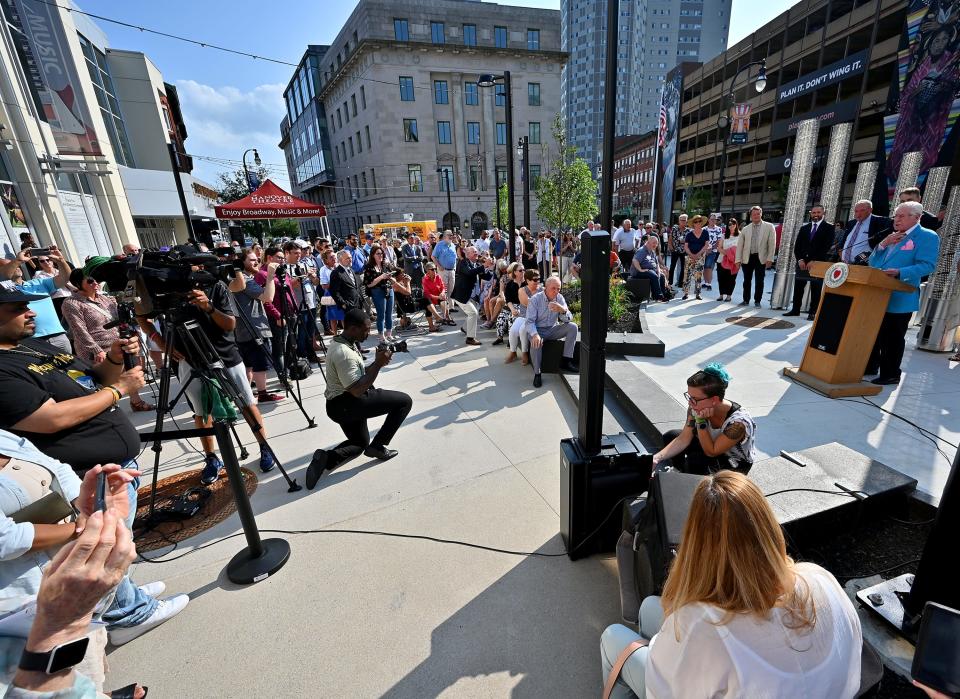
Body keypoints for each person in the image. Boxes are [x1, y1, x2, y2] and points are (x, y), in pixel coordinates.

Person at [0, 287, 183, 647]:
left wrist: (114, 360)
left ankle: (125, 596)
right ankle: (128, 615)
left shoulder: (33, 346)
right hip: (86, 471)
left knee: (114, 541)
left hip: (109, 464)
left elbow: (89, 379)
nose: (30, 312)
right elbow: (50, 419)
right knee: (103, 544)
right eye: (17, 308)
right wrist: (119, 390)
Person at [601, 470, 862, 699]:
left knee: (613, 638)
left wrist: (667, 651)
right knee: (648, 607)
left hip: (706, 656)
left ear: (696, 545)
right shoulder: (819, 577)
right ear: (767, 529)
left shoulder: (701, 626)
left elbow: (664, 692)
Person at [141, 274, 277, 481]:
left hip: (225, 354)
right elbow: (140, 315)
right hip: (187, 357)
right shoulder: (165, 288)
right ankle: (211, 457)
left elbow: (230, 324)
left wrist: (209, 307)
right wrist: (159, 341)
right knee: (201, 412)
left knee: (247, 403)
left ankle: (264, 446)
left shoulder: (215, 286)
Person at [305, 309, 412, 490]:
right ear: (353, 329)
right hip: (349, 403)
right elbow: (356, 389)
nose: (368, 333)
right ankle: (378, 446)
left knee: (359, 444)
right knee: (404, 401)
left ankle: (325, 458)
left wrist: (377, 363)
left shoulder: (344, 341)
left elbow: (356, 375)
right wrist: (378, 364)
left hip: (339, 405)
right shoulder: (344, 353)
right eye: (365, 329)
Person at [865, 201, 940, 386]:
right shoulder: (891, 236)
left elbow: (928, 265)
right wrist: (883, 244)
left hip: (901, 296)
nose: (896, 219)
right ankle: (871, 366)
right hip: (878, 294)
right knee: (875, 334)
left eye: (901, 216)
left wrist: (900, 272)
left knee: (892, 338)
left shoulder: (927, 236)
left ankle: (891, 374)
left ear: (917, 217)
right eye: (895, 216)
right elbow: (873, 263)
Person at [60, 269, 154, 412]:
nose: (95, 283)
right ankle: (107, 407)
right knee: (102, 380)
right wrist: (96, 349)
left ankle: (136, 402)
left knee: (128, 372)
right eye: (90, 281)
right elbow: (79, 330)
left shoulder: (106, 298)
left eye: (96, 280)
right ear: (78, 284)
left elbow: (120, 319)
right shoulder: (71, 303)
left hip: (117, 343)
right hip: (96, 348)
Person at [652, 364, 756, 474]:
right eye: (689, 396)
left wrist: (701, 421)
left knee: (696, 460)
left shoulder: (739, 423)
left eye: (695, 399)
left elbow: (711, 452)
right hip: (711, 448)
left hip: (734, 464)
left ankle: (694, 481)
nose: (690, 402)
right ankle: (681, 471)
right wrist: (656, 458)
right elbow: (683, 439)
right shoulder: (696, 406)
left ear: (714, 399)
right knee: (671, 435)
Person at [227, 249, 284, 403]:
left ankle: (247, 394)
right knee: (259, 363)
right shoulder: (246, 281)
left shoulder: (235, 280)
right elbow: (267, 297)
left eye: (257, 259)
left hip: (243, 330)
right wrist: (270, 276)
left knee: (249, 365)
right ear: (241, 262)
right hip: (254, 329)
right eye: (252, 260)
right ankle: (262, 393)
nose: (256, 262)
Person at [0, 248, 72, 354]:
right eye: (9, 265)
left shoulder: (38, 282)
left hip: (58, 336)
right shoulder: (4, 292)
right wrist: (17, 260)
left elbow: (64, 278)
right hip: (32, 341)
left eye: (15, 263)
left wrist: (60, 260)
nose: (16, 266)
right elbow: (4, 278)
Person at [527, 276, 579, 388]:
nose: (556, 291)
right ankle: (537, 373)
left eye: (558, 289)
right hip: (538, 330)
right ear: (546, 287)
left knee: (573, 327)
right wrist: (535, 334)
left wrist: (563, 311)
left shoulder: (559, 298)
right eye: (553, 288)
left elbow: (568, 319)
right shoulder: (535, 299)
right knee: (536, 343)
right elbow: (529, 322)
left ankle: (566, 361)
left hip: (552, 329)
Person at [784, 204, 834, 320]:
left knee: (816, 288)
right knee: (798, 287)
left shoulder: (829, 228)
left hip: (818, 263)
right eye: (814, 213)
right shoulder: (804, 228)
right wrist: (800, 259)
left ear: (823, 213)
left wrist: (814, 260)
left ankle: (812, 312)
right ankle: (795, 309)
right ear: (811, 214)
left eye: (818, 213)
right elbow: (797, 246)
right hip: (802, 263)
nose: (816, 215)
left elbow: (826, 246)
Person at [736, 206, 777, 308]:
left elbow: (772, 244)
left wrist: (770, 259)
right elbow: (740, 246)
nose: (756, 216)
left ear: (761, 214)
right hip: (748, 258)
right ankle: (745, 300)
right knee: (746, 281)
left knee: (759, 281)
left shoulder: (769, 227)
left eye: (758, 214)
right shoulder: (745, 229)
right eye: (754, 214)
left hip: (761, 258)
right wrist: (738, 259)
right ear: (750, 215)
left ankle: (757, 301)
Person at [450, 247, 488, 346]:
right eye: (474, 252)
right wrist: (484, 266)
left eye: (476, 251)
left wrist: (490, 267)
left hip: (470, 295)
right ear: (468, 254)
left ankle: (465, 328)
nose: (476, 253)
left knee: (472, 313)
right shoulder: (463, 263)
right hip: (461, 295)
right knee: (473, 313)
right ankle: (470, 338)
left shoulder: (476, 264)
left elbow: (485, 276)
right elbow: (469, 272)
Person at [363, 244, 399, 344]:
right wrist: (381, 277)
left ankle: (389, 334)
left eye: (382, 253)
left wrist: (391, 278)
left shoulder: (385, 265)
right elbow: (369, 284)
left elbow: (394, 278)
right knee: (381, 314)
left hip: (388, 289)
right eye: (378, 254)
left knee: (389, 314)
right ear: (373, 255)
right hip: (377, 291)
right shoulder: (369, 267)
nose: (380, 255)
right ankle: (381, 336)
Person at [838, 200, 891, 265]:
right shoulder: (851, 223)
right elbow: (843, 242)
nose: (858, 214)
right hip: (844, 264)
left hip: (864, 265)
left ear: (870, 210)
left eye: (862, 210)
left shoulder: (881, 222)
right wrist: (842, 258)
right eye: (856, 211)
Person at [509, 269, 540, 365]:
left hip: (536, 318)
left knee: (523, 330)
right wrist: (538, 302)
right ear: (527, 280)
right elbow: (527, 303)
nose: (537, 281)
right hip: (523, 316)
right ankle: (513, 352)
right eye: (535, 280)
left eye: (539, 279)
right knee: (513, 330)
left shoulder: (542, 290)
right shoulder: (522, 290)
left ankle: (524, 353)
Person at [630, 236, 669, 302]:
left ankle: (663, 295)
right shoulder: (642, 250)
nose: (655, 245)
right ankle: (658, 296)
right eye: (654, 243)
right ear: (648, 242)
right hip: (638, 272)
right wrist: (640, 270)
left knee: (661, 276)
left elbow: (656, 264)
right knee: (653, 275)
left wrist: (659, 271)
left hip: (650, 270)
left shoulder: (652, 251)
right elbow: (635, 260)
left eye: (656, 243)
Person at [680, 215, 709, 301]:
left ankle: (698, 294)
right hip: (689, 257)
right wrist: (692, 255)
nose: (698, 223)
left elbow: (706, 245)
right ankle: (686, 293)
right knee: (687, 275)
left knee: (698, 276)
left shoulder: (705, 233)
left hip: (700, 257)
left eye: (699, 221)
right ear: (693, 224)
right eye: (696, 222)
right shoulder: (689, 234)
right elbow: (686, 246)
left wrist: (698, 254)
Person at [329, 249, 365, 317]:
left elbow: (357, 286)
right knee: (352, 326)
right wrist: (343, 304)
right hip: (349, 307)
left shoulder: (351, 270)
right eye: (347, 258)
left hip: (358, 304)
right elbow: (334, 292)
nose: (350, 259)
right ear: (340, 260)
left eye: (350, 257)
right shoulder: (336, 273)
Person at [431, 230, 458, 319]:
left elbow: (455, 258)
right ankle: (445, 310)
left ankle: (451, 307)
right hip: (443, 270)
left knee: (452, 289)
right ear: (445, 236)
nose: (451, 236)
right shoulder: (440, 244)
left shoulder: (453, 245)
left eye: (452, 235)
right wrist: (439, 266)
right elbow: (433, 256)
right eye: (449, 235)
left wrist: (454, 268)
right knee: (444, 291)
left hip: (452, 270)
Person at [317, 249, 343, 335]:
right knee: (333, 317)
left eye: (334, 257)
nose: (333, 259)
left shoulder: (339, 266)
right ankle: (335, 335)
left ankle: (347, 336)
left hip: (341, 294)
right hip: (330, 294)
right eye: (331, 257)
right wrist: (336, 283)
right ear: (326, 260)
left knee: (343, 316)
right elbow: (324, 285)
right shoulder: (323, 269)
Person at [717, 217, 740, 302]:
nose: (731, 226)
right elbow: (719, 248)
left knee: (731, 279)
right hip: (722, 259)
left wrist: (733, 256)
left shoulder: (740, 235)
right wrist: (728, 253)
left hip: (734, 261)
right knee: (721, 278)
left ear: (736, 225)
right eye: (729, 224)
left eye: (733, 224)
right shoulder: (724, 235)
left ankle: (729, 296)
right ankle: (721, 295)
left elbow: (741, 249)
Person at [421, 263, 450, 331]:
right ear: (428, 271)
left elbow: (443, 287)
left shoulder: (438, 276)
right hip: (430, 298)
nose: (435, 270)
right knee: (427, 301)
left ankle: (445, 317)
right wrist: (438, 297)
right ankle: (436, 319)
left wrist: (442, 293)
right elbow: (427, 294)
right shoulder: (425, 279)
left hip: (438, 297)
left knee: (444, 298)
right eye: (432, 269)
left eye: (435, 268)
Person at [701, 213, 723, 291]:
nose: (713, 221)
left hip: (713, 251)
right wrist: (705, 249)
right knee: (704, 266)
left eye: (715, 219)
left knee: (709, 266)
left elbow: (719, 240)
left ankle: (709, 283)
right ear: (708, 220)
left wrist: (711, 248)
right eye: (712, 219)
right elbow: (701, 240)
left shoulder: (718, 229)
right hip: (704, 250)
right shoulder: (704, 229)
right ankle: (705, 282)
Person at [668, 214, 688, 285]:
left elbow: (690, 242)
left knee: (683, 267)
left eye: (684, 220)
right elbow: (670, 239)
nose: (683, 221)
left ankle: (680, 283)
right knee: (672, 267)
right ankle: (670, 282)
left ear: (686, 221)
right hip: (675, 250)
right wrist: (671, 247)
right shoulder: (674, 228)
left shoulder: (688, 231)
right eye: (681, 220)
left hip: (684, 251)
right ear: (679, 221)